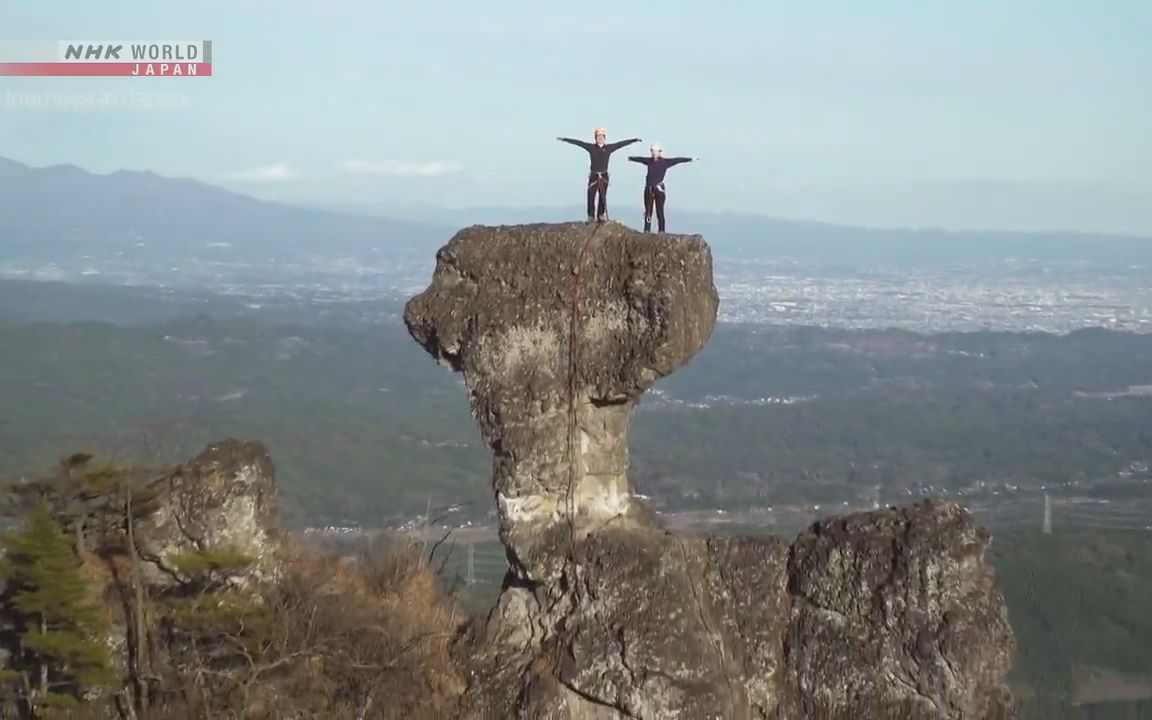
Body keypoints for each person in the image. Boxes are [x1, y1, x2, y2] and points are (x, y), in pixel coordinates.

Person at [557, 128, 641, 222]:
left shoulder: (609, 148)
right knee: (591, 196)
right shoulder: (591, 147)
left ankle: (601, 215)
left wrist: (634, 140)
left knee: (602, 196)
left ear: (604, 138)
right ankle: (591, 216)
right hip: (594, 175)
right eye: (598, 136)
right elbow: (578, 143)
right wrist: (565, 139)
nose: (600, 138)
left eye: (601, 136)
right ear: (595, 138)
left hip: (604, 175)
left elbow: (621, 144)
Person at [628, 143, 695, 233]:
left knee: (660, 210)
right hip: (649, 189)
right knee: (648, 210)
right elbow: (640, 159)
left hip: (659, 189)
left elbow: (678, 160)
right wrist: (630, 158)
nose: (654, 153)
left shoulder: (665, 162)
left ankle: (661, 230)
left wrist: (690, 159)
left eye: (656, 151)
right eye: (652, 151)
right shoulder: (649, 161)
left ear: (659, 152)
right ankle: (647, 230)